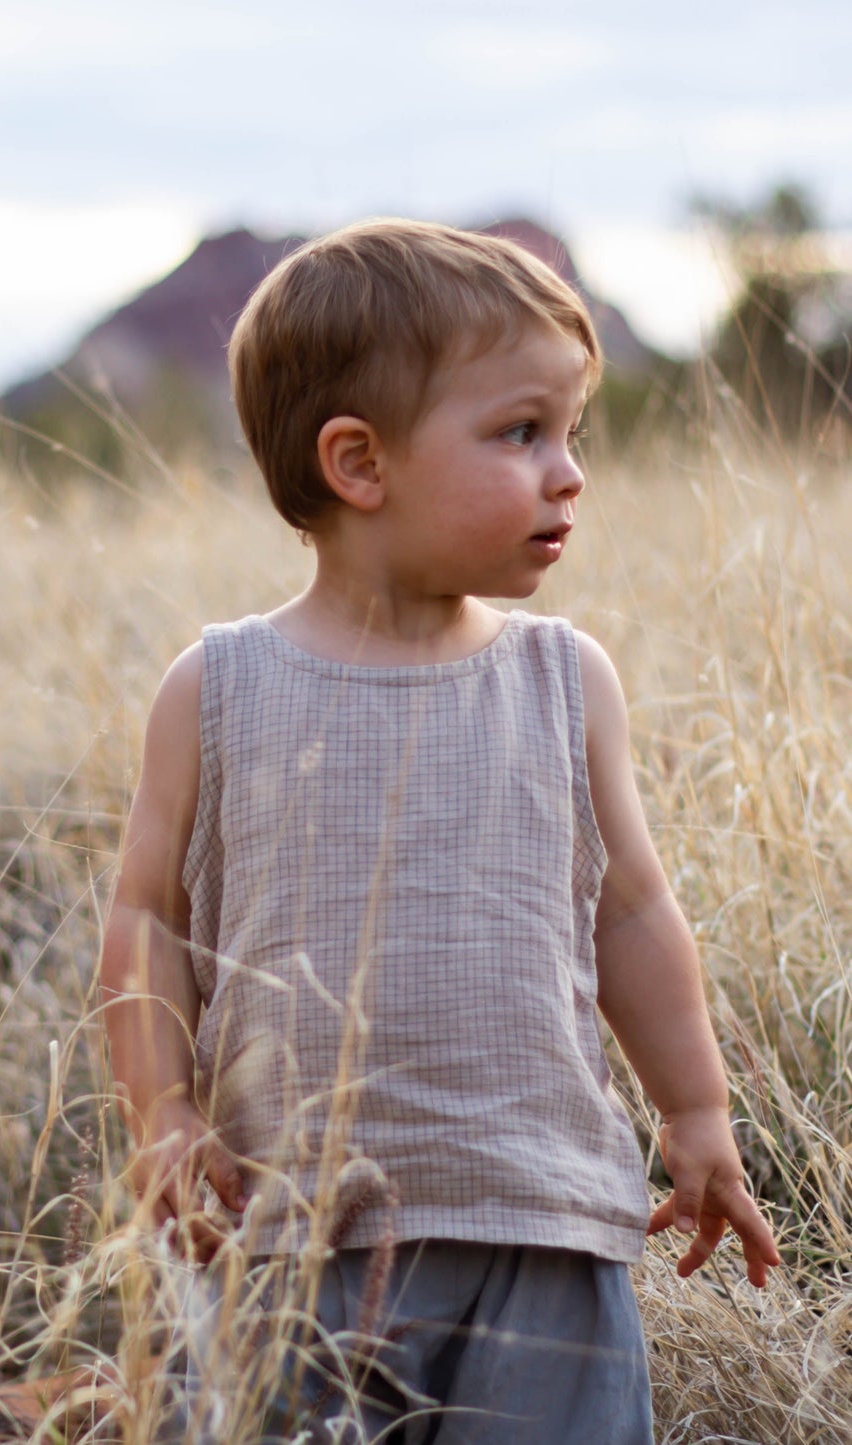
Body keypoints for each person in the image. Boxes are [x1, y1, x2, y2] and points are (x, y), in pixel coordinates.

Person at [98, 218, 780, 1443]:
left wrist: (695, 1112)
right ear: (358, 463)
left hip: (538, 1221)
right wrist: (164, 1113)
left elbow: (629, 907)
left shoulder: (564, 680)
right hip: (286, 1234)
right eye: (521, 433)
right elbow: (147, 916)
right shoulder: (218, 687)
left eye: (571, 434)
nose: (567, 471)